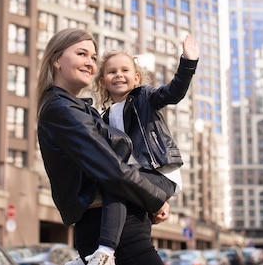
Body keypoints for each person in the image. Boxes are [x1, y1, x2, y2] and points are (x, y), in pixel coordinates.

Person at [37, 28, 171, 265]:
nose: (90, 63)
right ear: (57, 60)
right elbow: (111, 168)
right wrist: (156, 198)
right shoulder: (62, 109)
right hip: (111, 231)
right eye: (81, 54)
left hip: (121, 228)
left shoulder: (79, 109)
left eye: (93, 57)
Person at [71, 34, 198, 265]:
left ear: (136, 77)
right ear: (102, 82)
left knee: (116, 182)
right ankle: (89, 254)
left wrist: (188, 63)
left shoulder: (145, 98)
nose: (119, 75)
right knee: (116, 184)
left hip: (160, 173)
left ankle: (105, 251)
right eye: (111, 72)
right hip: (135, 180)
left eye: (125, 70)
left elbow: (173, 92)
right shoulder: (105, 118)